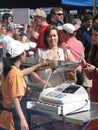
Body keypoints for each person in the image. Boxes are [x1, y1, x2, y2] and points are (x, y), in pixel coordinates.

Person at [0, 40, 49, 130]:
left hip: (5, 117)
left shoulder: (10, 70)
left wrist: (40, 65)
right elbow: (14, 98)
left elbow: (22, 72)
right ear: (21, 55)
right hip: (14, 118)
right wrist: (22, 119)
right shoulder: (15, 73)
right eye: (25, 52)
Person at [81, 24, 98, 102]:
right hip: (94, 93)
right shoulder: (93, 51)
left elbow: (94, 71)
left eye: (96, 35)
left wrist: (95, 69)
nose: (93, 37)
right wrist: (85, 67)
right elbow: (90, 77)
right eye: (92, 35)